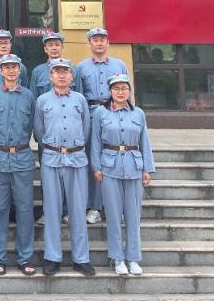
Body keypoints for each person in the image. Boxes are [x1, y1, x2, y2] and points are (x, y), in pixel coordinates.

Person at [91, 72, 155, 277]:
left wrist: (147, 168)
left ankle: (133, 258)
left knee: (133, 216)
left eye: (124, 88)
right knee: (113, 215)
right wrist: (96, 167)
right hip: (109, 167)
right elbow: (95, 141)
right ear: (110, 91)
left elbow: (145, 141)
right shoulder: (101, 112)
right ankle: (117, 257)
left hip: (134, 167)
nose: (120, 92)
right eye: (116, 88)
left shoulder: (138, 113)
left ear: (129, 91)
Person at [34, 57, 93, 277]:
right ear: (50, 76)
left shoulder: (80, 99)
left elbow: (86, 129)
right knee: (52, 210)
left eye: (65, 71)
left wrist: (74, 147)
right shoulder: (42, 100)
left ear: (71, 76)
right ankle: (52, 257)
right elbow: (38, 131)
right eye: (57, 71)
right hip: (52, 158)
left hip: (76, 159)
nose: (61, 75)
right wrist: (53, 147)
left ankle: (81, 258)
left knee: (78, 210)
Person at [0, 53, 37, 276]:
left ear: (20, 70)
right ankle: (0, 257)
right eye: (7, 67)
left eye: (15, 67)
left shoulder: (29, 96)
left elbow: (33, 125)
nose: (11, 71)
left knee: (25, 209)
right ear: (1, 71)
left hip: (23, 158)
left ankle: (25, 257)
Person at [73, 27, 128, 225]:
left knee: (117, 158)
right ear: (89, 43)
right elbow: (78, 97)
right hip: (91, 114)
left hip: (115, 113)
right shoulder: (81, 68)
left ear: (108, 42)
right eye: (95, 39)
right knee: (93, 159)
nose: (99, 43)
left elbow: (126, 92)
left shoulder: (119, 65)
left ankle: (118, 207)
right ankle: (94, 206)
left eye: (102, 39)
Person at [29, 31, 66, 97]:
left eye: (57, 45)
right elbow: (33, 98)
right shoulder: (37, 72)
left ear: (62, 47)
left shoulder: (73, 70)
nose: (54, 48)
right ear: (45, 49)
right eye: (50, 45)